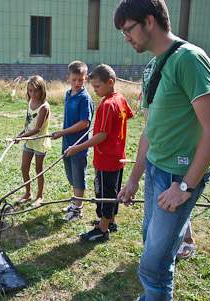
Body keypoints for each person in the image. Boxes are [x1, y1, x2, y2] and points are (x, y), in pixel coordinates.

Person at [114, 0, 210, 299]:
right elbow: (150, 131)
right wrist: (134, 178)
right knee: (149, 241)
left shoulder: (189, 59)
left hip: (178, 176)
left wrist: (185, 186)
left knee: (154, 263)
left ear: (149, 21)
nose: (125, 37)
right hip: (155, 170)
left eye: (128, 30)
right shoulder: (153, 66)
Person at [65, 64, 133, 241]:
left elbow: (102, 135)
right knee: (114, 191)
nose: (94, 90)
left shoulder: (107, 105)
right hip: (119, 157)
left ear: (110, 83)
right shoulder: (121, 99)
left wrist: (77, 148)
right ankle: (110, 221)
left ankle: (102, 230)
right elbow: (126, 117)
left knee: (105, 195)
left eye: (97, 87)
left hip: (106, 159)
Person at [52, 61, 95, 221]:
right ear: (68, 78)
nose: (77, 83)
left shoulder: (84, 98)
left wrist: (63, 132)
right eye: (74, 79)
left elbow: (85, 123)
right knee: (72, 176)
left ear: (85, 79)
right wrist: (63, 135)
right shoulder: (69, 94)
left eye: (80, 80)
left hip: (79, 147)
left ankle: (78, 209)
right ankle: (76, 202)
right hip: (67, 143)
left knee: (79, 177)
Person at [15, 75, 51, 206]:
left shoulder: (44, 107)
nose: (33, 94)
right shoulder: (30, 102)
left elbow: (37, 128)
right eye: (30, 90)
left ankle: (39, 195)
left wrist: (22, 137)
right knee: (24, 167)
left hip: (39, 141)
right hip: (29, 141)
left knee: (38, 170)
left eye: (36, 91)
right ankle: (28, 193)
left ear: (42, 90)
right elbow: (28, 124)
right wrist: (20, 135)